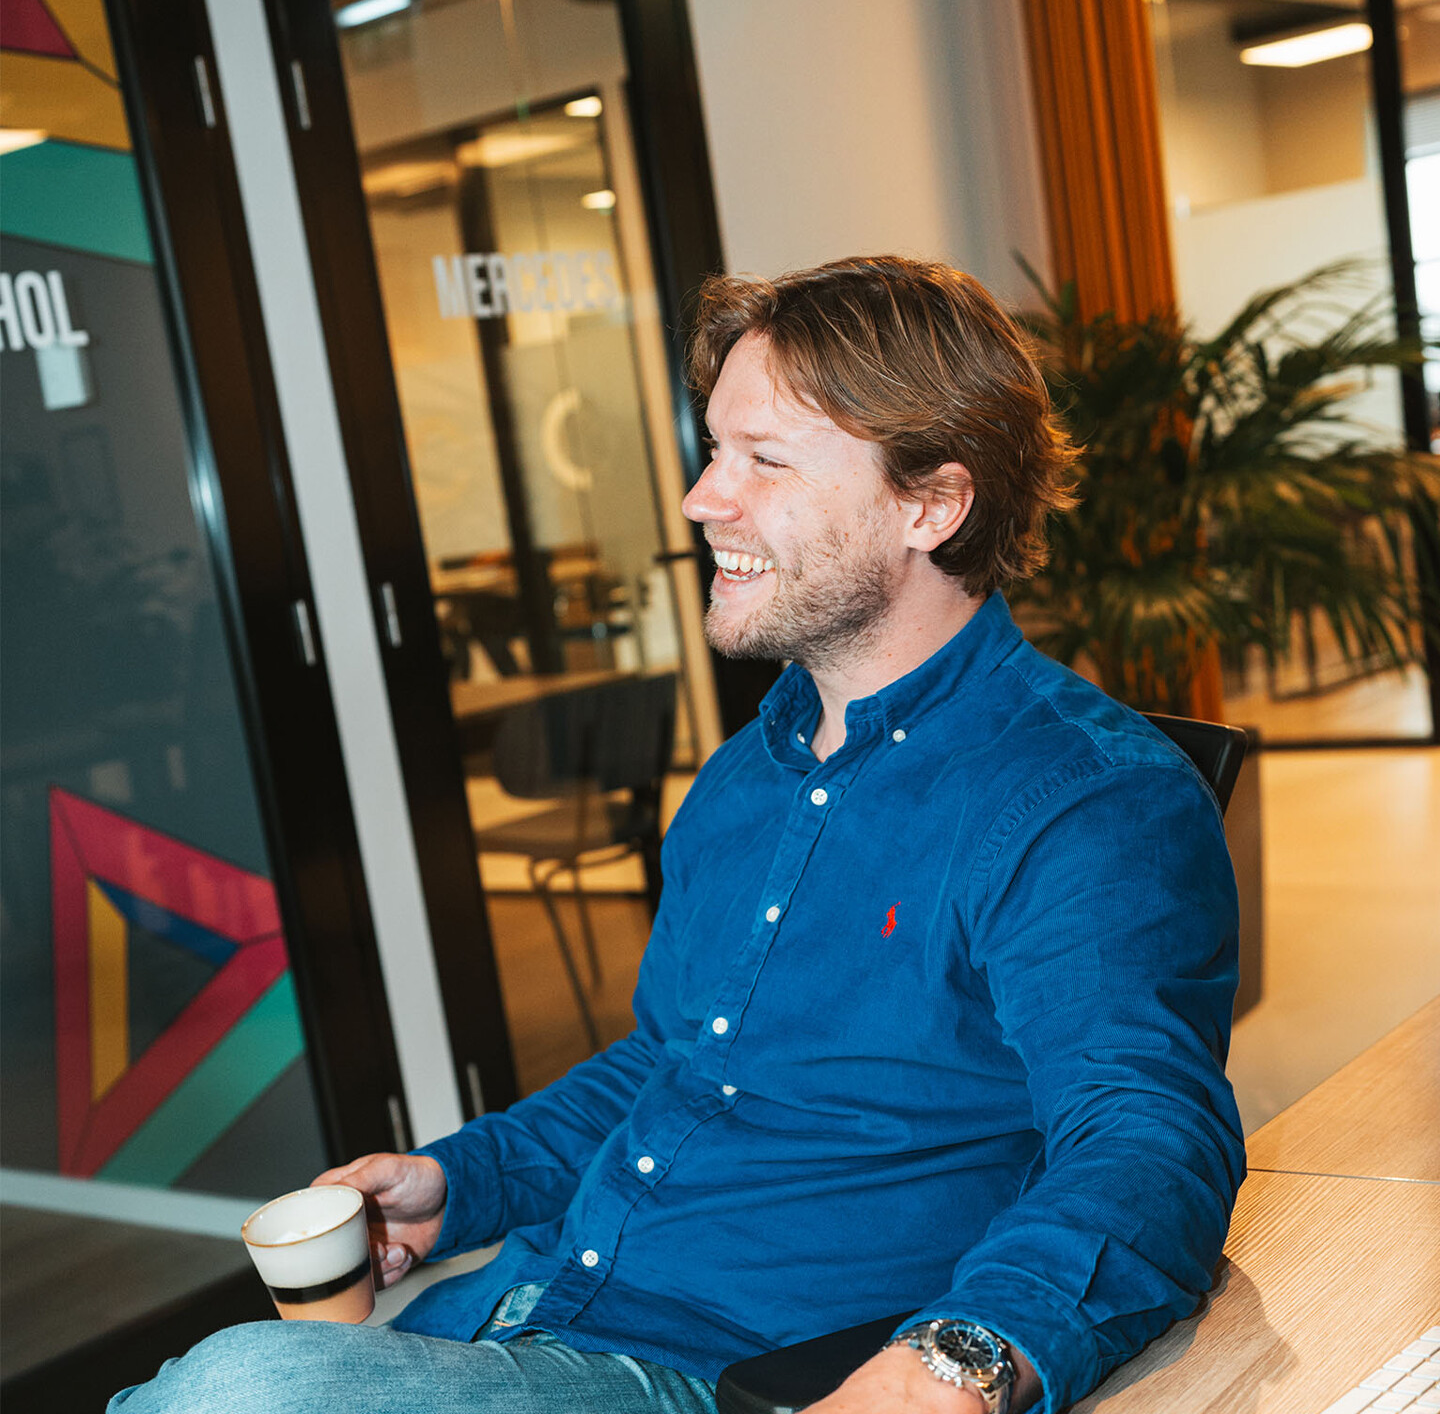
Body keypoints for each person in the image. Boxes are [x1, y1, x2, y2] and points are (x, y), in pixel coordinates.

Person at [109, 257, 1245, 1414]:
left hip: (724, 1371)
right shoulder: (745, 778)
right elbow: (675, 1063)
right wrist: (460, 1184)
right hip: (524, 1307)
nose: (704, 499)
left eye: (765, 460)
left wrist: (952, 1367)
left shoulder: (1086, 802)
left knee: (234, 1390)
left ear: (932, 505)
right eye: (714, 452)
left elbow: (1147, 1142)